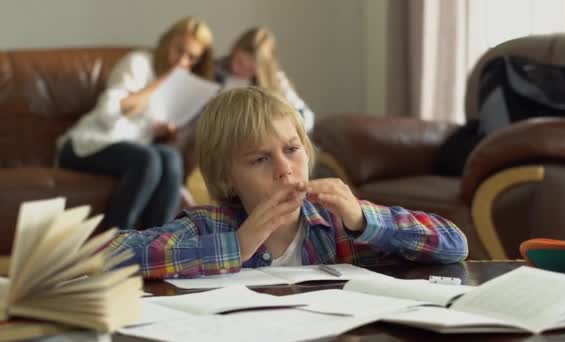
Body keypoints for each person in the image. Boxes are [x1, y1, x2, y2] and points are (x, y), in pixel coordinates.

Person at [107, 86, 468, 279]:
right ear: (226, 178)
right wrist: (237, 245)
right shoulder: (206, 226)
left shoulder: (341, 224)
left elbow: (454, 245)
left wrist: (362, 220)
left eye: (292, 150)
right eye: (260, 159)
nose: (285, 169)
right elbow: (107, 256)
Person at [56, 17, 214, 229]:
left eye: (192, 58)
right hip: (85, 145)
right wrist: (165, 81)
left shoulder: (181, 86)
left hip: (132, 149)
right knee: (147, 160)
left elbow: (141, 129)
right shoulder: (138, 62)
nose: (183, 61)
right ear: (167, 42)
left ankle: (156, 246)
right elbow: (108, 114)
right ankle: (118, 245)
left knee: (171, 158)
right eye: (179, 50)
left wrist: (161, 131)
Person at [216, 27, 315, 132]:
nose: (242, 70)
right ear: (234, 47)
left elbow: (306, 117)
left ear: (263, 68)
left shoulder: (275, 80)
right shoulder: (213, 71)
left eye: (250, 69)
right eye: (239, 62)